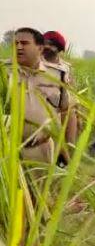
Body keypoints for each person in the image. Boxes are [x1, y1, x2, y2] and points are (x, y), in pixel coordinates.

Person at [3, 27, 75, 165]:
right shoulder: (4, 72)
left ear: (40, 48)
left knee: (44, 186)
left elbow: (66, 112)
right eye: (15, 43)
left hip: (43, 149)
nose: (18, 47)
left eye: (24, 43)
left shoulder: (57, 75)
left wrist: (65, 147)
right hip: (8, 150)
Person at [43, 31, 78, 144]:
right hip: (42, 110)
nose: (46, 46)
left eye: (51, 44)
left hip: (63, 111)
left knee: (66, 146)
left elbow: (72, 93)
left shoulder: (66, 68)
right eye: (45, 43)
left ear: (59, 48)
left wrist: (78, 116)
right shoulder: (35, 64)